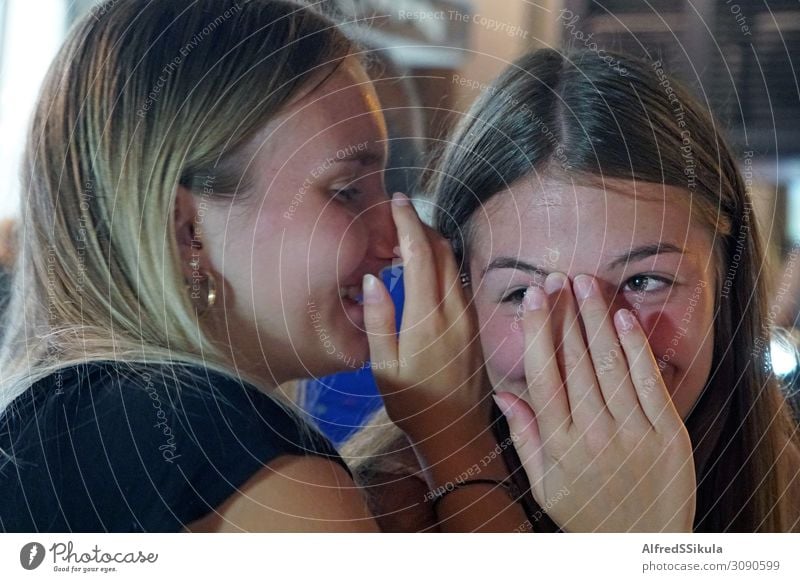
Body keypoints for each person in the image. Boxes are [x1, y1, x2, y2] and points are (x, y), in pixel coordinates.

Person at [0, 0, 528, 532]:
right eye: (346, 192)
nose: (395, 242)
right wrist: (459, 448)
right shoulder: (258, 477)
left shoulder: (39, 430)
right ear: (189, 232)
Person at [347, 48, 800, 532]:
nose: (585, 344)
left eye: (643, 281)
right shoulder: (368, 527)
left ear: (725, 282)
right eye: (523, 294)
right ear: (458, 306)